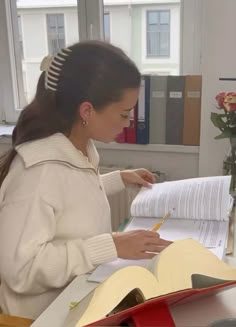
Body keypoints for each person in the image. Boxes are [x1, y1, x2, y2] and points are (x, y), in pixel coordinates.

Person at [0, 40, 171, 320]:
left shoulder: (78, 147)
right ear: (87, 111)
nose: (128, 122)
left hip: (76, 300)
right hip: (39, 318)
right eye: (124, 113)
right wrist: (111, 246)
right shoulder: (38, 173)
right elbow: (20, 270)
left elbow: (71, 203)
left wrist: (117, 179)